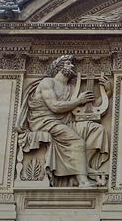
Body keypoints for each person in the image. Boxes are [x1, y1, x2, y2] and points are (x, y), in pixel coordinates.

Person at [17, 55, 110, 188]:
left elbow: (91, 108)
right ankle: (83, 181)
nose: (72, 66)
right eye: (67, 63)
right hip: (45, 122)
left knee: (97, 130)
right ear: (58, 67)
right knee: (76, 141)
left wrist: (107, 91)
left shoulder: (71, 88)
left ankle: (82, 169)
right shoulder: (48, 82)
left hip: (64, 123)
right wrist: (78, 101)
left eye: (71, 64)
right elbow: (54, 106)